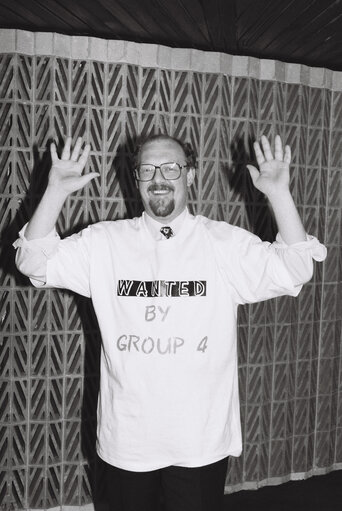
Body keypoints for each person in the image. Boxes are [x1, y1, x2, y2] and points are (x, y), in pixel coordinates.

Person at [14, 133, 326, 511]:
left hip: (198, 442)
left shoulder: (220, 243)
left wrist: (279, 193)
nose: (158, 177)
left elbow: (296, 267)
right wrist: (55, 193)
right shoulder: (105, 243)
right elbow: (32, 262)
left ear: (190, 176)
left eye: (171, 167)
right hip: (127, 441)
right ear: (137, 179)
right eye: (147, 169)